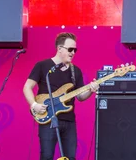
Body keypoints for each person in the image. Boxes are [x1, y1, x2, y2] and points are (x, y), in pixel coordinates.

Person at [23, 32, 99, 160]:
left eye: (75, 50)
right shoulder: (43, 66)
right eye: (70, 49)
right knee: (46, 156)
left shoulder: (76, 71)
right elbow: (27, 87)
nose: (73, 52)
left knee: (70, 157)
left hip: (69, 120)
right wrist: (34, 104)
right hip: (48, 118)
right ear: (59, 49)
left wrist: (91, 90)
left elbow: (80, 97)